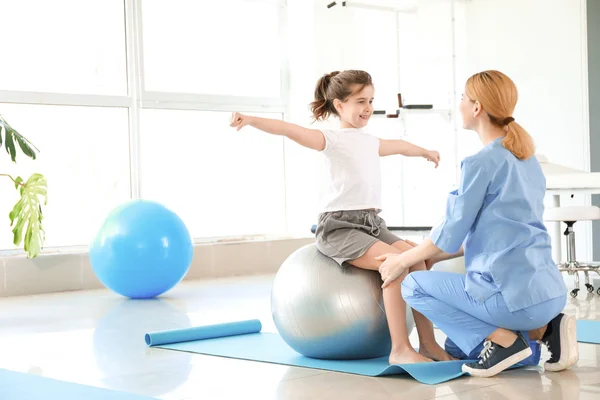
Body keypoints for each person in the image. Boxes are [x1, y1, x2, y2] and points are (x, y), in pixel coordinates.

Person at [229, 69, 452, 364]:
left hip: (372, 225)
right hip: (339, 227)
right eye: (360, 101)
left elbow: (399, 146)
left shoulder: (370, 141)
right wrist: (251, 119)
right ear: (339, 105)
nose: (368, 108)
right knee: (396, 264)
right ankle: (400, 350)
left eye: (371, 101)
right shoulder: (330, 139)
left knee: (419, 260)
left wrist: (425, 151)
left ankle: (428, 345)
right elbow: (289, 130)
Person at [376, 70, 579, 378]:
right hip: (547, 293)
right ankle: (544, 331)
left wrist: (401, 260)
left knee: (413, 286)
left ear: (476, 107)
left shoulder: (480, 164)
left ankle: (508, 341)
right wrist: (423, 254)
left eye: (462, 98)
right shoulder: (526, 159)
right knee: (459, 346)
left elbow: (448, 235)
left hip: (512, 300)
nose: (459, 104)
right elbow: (479, 237)